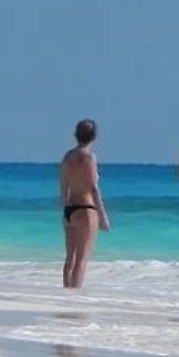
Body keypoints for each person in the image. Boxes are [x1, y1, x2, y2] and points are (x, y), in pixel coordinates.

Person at [60, 118, 110, 289]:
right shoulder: (89, 157)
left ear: (76, 135)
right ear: (94, 137)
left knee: (70, 259)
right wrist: (103, 217)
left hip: (69, 210)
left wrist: (65, 212)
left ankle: (66, 295)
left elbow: (63, 187)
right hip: (86, 209)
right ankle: (74, 299)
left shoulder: (67, 157)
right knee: (82, 259)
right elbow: (93, 188)